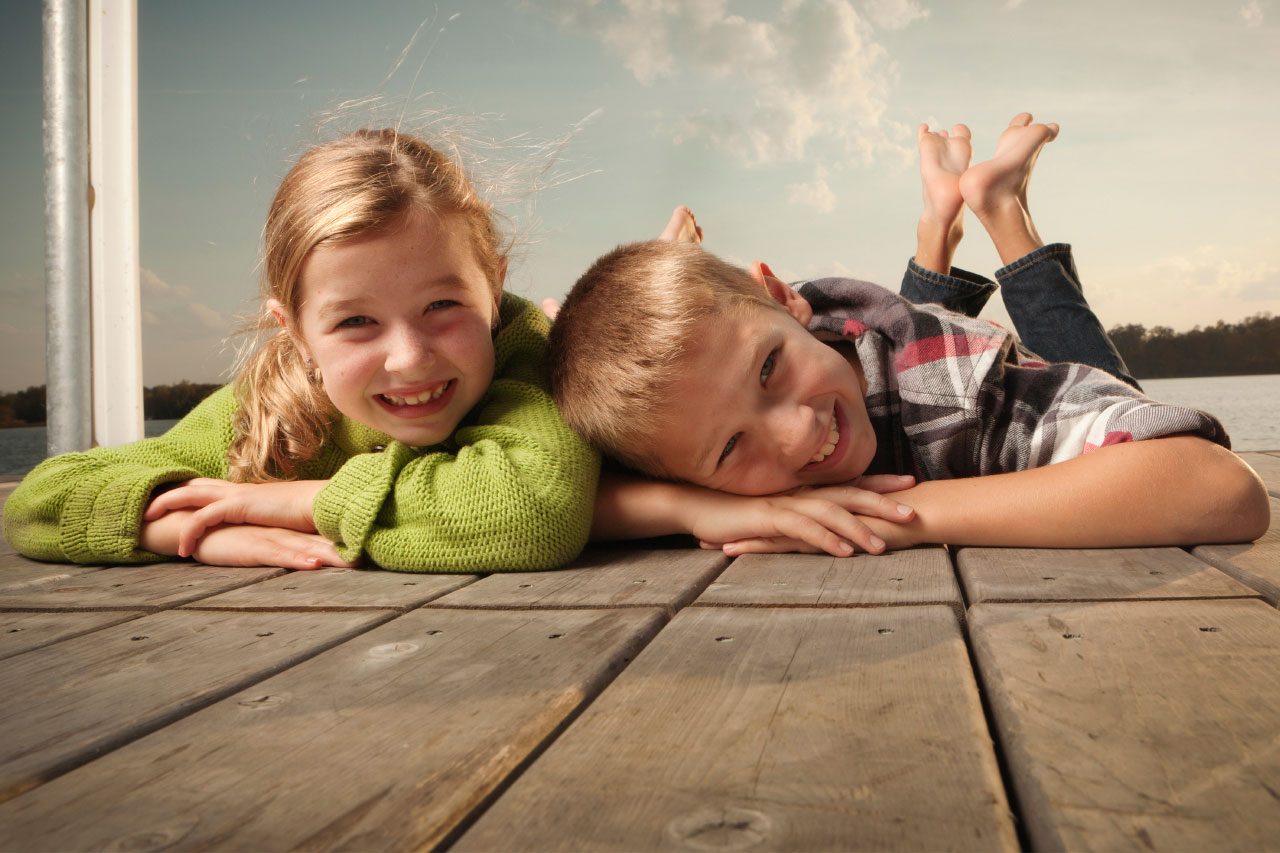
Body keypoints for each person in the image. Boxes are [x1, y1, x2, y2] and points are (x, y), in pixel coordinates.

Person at [548, 114, 1270, 555]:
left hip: (952, 370)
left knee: (1117, 394)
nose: (798, 436)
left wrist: (898, 516)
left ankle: (999, 209)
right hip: (858, 337)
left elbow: (1217, 487)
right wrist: (703, 507)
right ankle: (939, 224)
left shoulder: (957, 403)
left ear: (780, 295)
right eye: (730, 446)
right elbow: (558, 502)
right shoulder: (707, 395)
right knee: (858, 365)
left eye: (768, 371)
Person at [3, 129, 602, 572]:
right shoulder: (274, 412)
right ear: (294, 332)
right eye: (357, 321)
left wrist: (292, 500)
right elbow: (36, 502)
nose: (410, 357)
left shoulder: (535, 361)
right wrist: (187, 532)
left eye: (443, 307)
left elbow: (532, 512)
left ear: (493, 288)